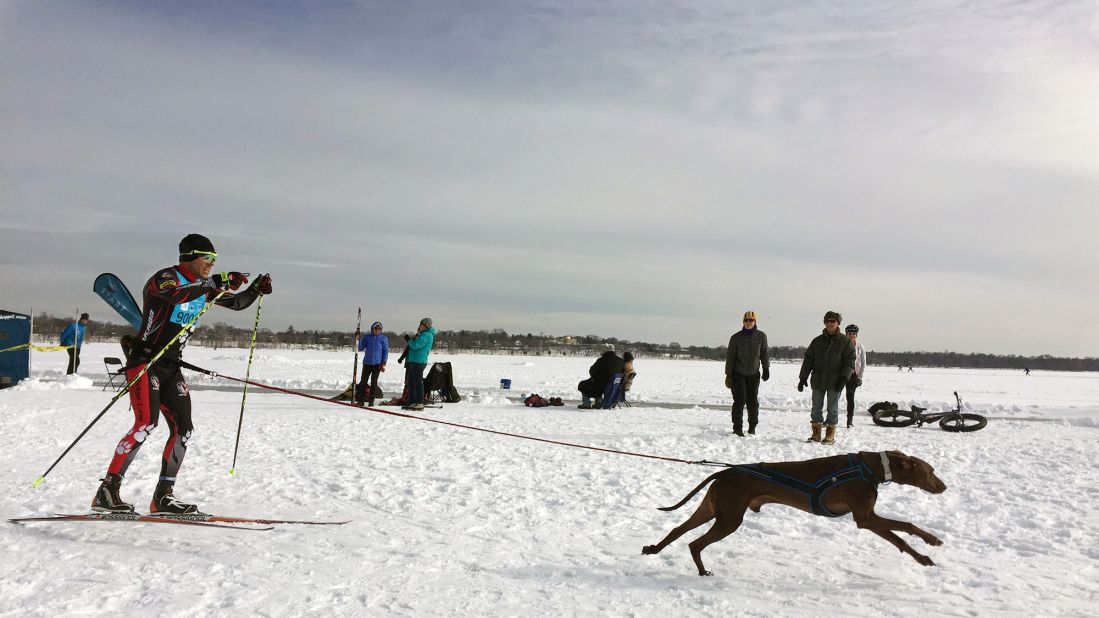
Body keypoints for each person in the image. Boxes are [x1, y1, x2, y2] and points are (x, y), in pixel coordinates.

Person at [91, 233, 272, 515]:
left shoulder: (203, 287)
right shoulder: (166, 278)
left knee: (183, 429)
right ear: (190, 257)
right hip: (146, 361)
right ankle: (107, 490)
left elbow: (236, 304)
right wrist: (214, 282)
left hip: (171, 366)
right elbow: (174, 296)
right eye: (207, 259)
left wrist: (256, 290)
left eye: (215, 260)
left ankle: (163, 497)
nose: (211, 264)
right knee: (145, 424)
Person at [798, 310, 855, 445]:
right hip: (818, 380)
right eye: (827, 321)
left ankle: (830, 434)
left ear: (838, 323)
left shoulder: (845, 342)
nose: (830, 323)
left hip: (835, 381)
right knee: (816, 407)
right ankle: (816, 433)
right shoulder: (817, 341)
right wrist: (803, 378)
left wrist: (844, 378)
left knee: (832, 408)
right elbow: (808, 360)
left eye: (832, 321)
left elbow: (850, 361)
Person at [725, 310, 770, 436]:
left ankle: (752, 427)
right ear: (743, 322)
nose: (748, 322)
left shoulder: (761, 336)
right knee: (739, 400)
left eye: (751, 320)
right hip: (738, 373)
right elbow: (730, 357)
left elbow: (764, 353)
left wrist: (766, 368)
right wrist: (728, 374)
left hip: (753, 374)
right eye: (746, 320)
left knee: (752, 401)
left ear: (755, 321)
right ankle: (737, 428)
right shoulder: (736, 337)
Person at [403, 318, 436, 411]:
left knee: (417, 383)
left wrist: (408, 340)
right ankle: (413, 402)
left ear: (426, 326)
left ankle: (419, 402)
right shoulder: (422, 334)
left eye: (421, 325)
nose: (419, 326)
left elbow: (415, 345)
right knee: (412, 382)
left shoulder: (426, 335)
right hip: (414, 361)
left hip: (419, 361)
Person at [355, 321, 389, 406]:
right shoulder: (367, 337)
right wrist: (358, 339)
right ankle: (360, 401)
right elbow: (360, 348)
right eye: (375, 328)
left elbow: (385, 351)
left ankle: (371, 401)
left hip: (377, 364)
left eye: (379, 329)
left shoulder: (383, 338)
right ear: (372, 329)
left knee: (374, 383)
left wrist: (383, 363)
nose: (377, 330)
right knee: (363, 382)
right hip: (367, 363)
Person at [844, 324, 866, 429]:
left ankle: (850, 420)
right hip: (842, 374)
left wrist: (860, 377)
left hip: (853, 375)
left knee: (850, 397)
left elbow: (863, 363)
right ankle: (830, 419)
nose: (852, 335)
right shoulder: (842, 345)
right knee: (835, 396)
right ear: (846, 334)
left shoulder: (860, 346)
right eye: (849, 333)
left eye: (854, 334)